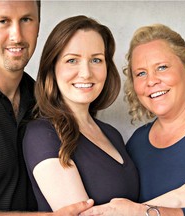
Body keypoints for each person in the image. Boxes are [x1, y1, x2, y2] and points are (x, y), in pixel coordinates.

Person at [0, 1, 93, 215]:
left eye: (26, 20)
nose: (17, 35)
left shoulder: (43, 97)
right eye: (3, 21)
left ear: (38, 25)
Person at [80, 24, 185, 216]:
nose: (151, 81)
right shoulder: (137, 142)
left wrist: (140, 212)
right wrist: (177, 199)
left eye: (162, 67)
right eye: (141, 73)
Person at [22, 15, 139, 212]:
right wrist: (176, 200)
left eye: (96, 59)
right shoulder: (42, 135)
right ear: (52, 68)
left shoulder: (112, 134)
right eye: (72, 60)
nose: (86, 72)